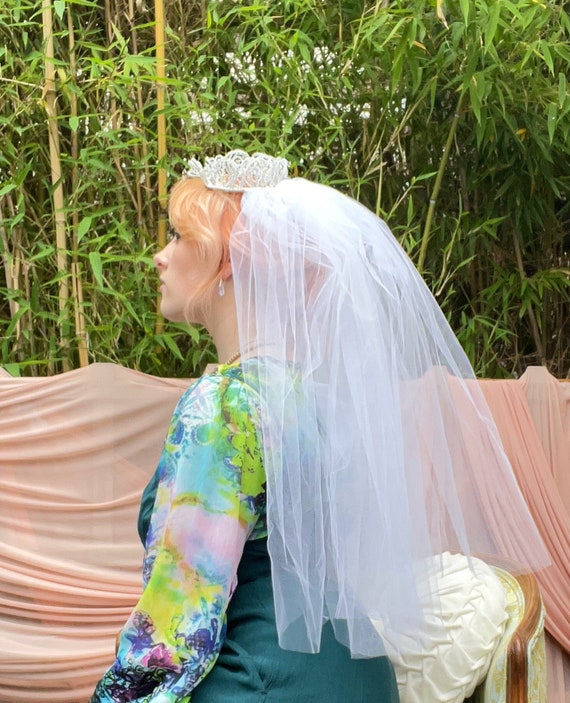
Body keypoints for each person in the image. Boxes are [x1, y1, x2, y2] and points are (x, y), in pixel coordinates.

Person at [90, 150, 547, 702]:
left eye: (177, 237)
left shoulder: (224, 406)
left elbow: (180, 615)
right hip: (362, 679)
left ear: (226, 260)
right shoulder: (322, 400)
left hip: (261, 680)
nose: (160, 257)